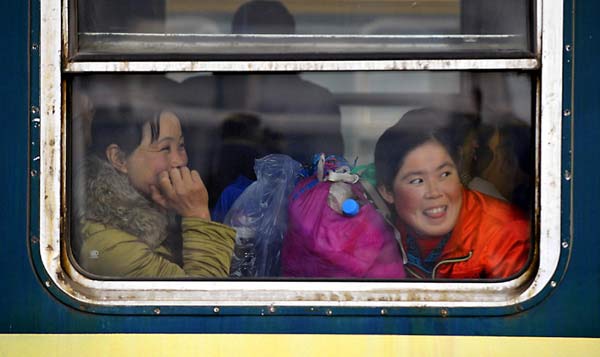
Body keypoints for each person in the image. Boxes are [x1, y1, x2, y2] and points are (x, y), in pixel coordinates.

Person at [74, 104, 235, 278]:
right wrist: (197, 215)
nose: (180, 160)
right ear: (119, 159)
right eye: (165, 148)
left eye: (181, 146)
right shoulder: (108, 248)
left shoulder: (161, 205)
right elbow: (202, 298)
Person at [374, 108, 530, 279]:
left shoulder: (506, 236)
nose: (434, 192)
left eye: (445, 174)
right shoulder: (384, 234)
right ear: (387, 192)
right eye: (417, 181)